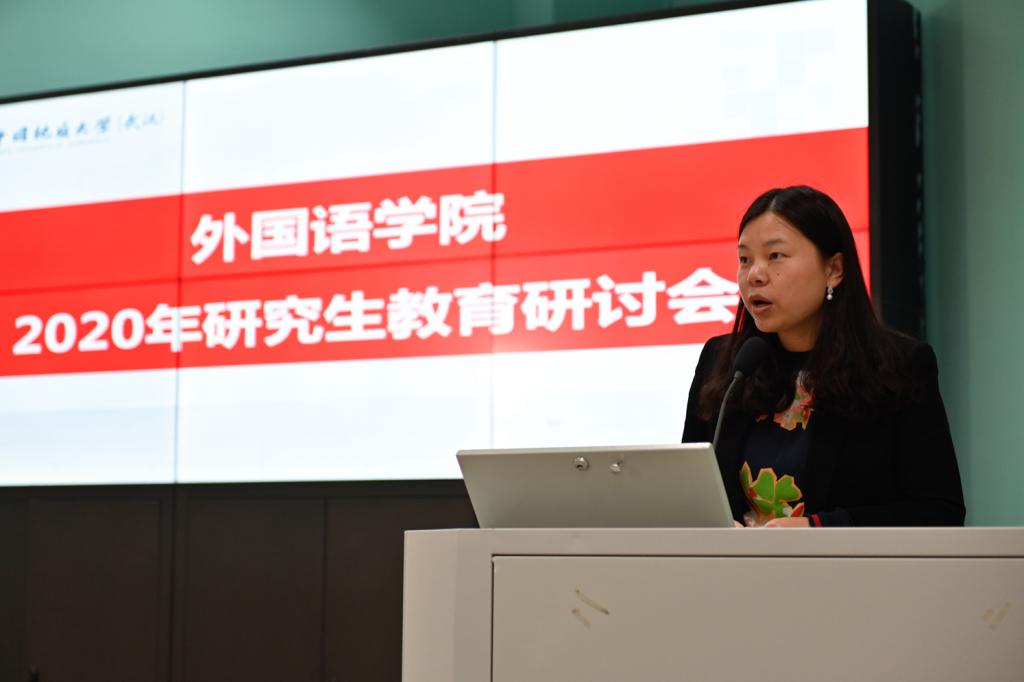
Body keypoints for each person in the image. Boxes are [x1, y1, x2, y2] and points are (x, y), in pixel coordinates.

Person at [682, 185, 965, 527]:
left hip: (844, 563)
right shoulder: (724, 363)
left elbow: (939, 511)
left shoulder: (898, 367)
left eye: (775, 256)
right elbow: (689, 496)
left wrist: (820, 528)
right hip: (734, 563)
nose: (754, 275)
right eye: (745, 259)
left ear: (834, 269)